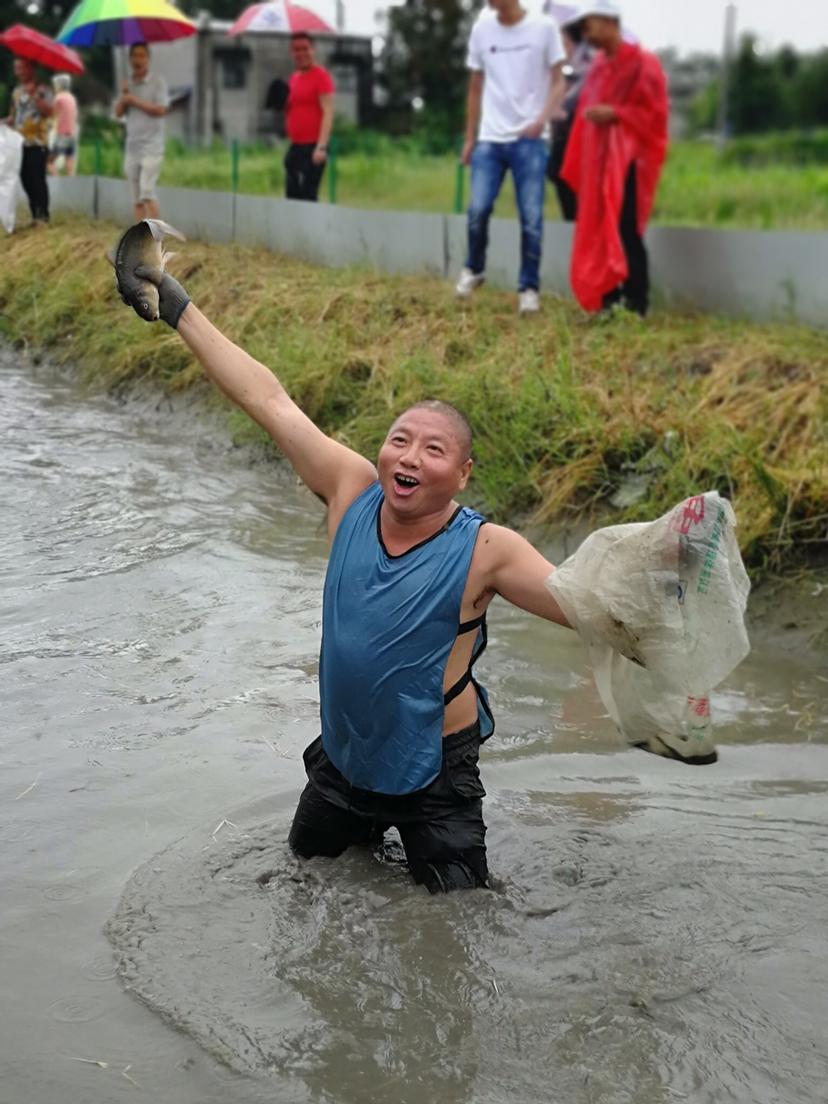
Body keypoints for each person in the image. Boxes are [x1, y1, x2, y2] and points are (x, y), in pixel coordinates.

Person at [117, 263, 579, 894]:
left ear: (463, 474)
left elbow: (582, 603)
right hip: (348, 756)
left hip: (436, 772)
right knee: (302, 876)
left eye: (433, 450)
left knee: (460, 911)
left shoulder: (488, 548)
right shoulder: (351, 488)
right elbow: (268, 401)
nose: (410, 456)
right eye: (400, 440)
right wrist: (179, 311)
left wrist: (668, 581)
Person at [455, 0, 566, 316]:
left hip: (529, 140)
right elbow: (475, 87)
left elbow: (559, 80)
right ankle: (474, 268)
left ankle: (528, 288)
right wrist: (469, 138)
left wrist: (541, 120)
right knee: (478, 208)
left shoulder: (544, 28)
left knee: (531, 218)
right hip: (490, 138)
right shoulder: (482, 28)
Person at [559, 1, 668, 317]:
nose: (586, 35)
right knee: (597, 227)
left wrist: (616, 114)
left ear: (609, 21)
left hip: (630, 163)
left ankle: (636, 304)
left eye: (589, 26)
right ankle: (608, 301)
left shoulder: (644, 63)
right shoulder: (599, 67)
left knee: (625, 228)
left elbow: (655, 114)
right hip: (599, 166)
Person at [114, 42, 168, 221]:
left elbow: (161, 110)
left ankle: (157, 237)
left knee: (147, 192)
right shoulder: (127, 84)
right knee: (136, 198)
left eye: (142, 55)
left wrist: (134, 100)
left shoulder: (157, 82)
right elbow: (118, 113)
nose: (138, 60)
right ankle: (139, 238)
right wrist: (123, 98)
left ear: (148, 59)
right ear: (129, 59)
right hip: (132, 146)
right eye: (134, 56)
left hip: (152, 146)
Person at [546, 24, 593, 221]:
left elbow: (573, 107)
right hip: (561, 145)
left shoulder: (585, 70)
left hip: (579, 145)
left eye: (563, 41)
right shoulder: (561, 71)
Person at [284, 32, 334, 202]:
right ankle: (293, 228)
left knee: (308, 195)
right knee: (292, 194)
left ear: (313, 50)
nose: (301, 54)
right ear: (291, 53)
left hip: (313, 146)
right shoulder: (293, 78)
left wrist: (321, 146)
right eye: (296, 50)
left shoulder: (321, 76)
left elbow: (328, 111)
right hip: (296, 145)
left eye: (305, 49)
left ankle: (313, 229)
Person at [6, 58, 52, 226]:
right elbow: (14, 116)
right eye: (16, 68)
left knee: (37, 179)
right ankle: (34, 215)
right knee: (25, 179)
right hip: (20, 143)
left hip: (37, 143)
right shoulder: (17, 91)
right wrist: (5, 122)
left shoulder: (42, 89)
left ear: (31, 68)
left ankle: (43, 216)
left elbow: (49, 111)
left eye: (21, 67)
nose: (18, 71)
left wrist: (34, 95)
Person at [49, 74, 79, 177]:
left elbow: (52, 114)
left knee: (49, 161)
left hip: (62, 134)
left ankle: (58, 182)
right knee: (69, 161)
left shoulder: (58, 98)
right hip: (72, 133)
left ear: (59, 86)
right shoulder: (72, 98)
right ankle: (71, 185)